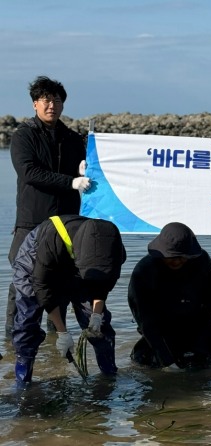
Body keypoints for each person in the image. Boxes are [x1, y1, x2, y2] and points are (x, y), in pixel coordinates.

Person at [6, 75, 89, 336]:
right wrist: (71, 182)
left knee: (61, 282)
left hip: (66, 223)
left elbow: (92, 173)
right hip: (31, 221)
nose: (51, 105)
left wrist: (90, 167)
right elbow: (30, 172)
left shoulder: (74, 139)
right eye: (45, 100)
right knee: (23, 282)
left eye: (56, 100)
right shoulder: (23, 136)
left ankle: (57, 342)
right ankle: (13, 340)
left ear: (62, 104)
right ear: (34, 104)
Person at [12, 215, 125, 388]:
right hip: (37, 255)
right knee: (28, 319)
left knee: (100, 327)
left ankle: (109, 376)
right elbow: (42, 289)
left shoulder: (112, 249)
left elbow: (104, 282)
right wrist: (62, 333)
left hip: (85, 261)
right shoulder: (52, 241)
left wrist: (96, 315)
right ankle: (23, 381)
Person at [128, 222, 211, 368]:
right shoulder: (144, 271)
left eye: (183, 257)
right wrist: (166, 362)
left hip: (198, 325)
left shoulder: (201, 260)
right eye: (172, 257)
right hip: (163, 330)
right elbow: (146, 322)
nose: (177, 261)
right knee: (144, 360)